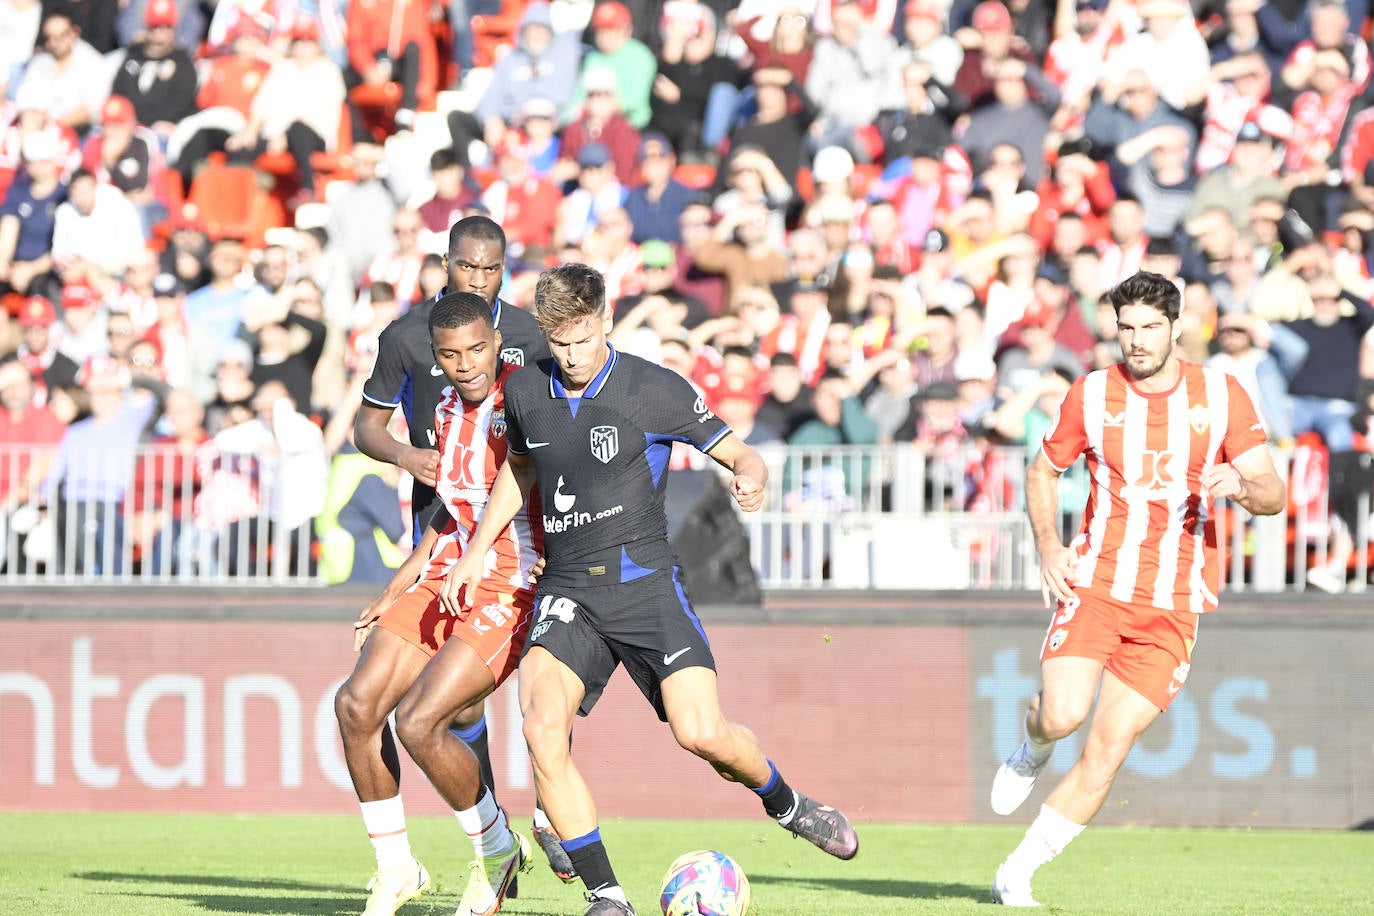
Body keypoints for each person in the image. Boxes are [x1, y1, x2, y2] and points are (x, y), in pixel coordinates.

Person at [446, 263, 859, 916]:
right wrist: (475, 551)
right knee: (540, 725)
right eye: (561, 342)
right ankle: (608, 897)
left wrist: (752, 479)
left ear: (607, 320)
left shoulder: (654, 389)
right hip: (568, 593)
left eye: (583, 337)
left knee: (702, 734)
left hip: (645, 588)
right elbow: (519, 470)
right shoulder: (525, 392)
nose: (573, 354)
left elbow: (739, 452)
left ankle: (788, 804)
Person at [988, 271, 1286, 907]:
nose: (1138, 340)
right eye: (1127, 328)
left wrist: (1241, 486)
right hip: (1097, 582)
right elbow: (1042, 472)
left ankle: (1018, 872)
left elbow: (1272, 491)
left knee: (1108, 748)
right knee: (1063, 715)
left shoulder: (1222, 393)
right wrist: (1048, 546)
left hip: (1174, 604)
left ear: (1178, 329)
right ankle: (1033, 743)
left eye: (1151, 327)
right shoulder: (1092, 392)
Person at [352, 214, 565, 879]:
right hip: (446, 516)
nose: (477, 277)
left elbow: (550, 429)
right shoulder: (408, 337)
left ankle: (551, 814)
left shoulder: (528, 337)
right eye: (466, 266)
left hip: (523, 527)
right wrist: (405, 454)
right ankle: (491, 825)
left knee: (543, 675)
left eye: (490, 268)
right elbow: (366, 425)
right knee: (450, 705)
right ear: (445, 262)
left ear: (505, 270)